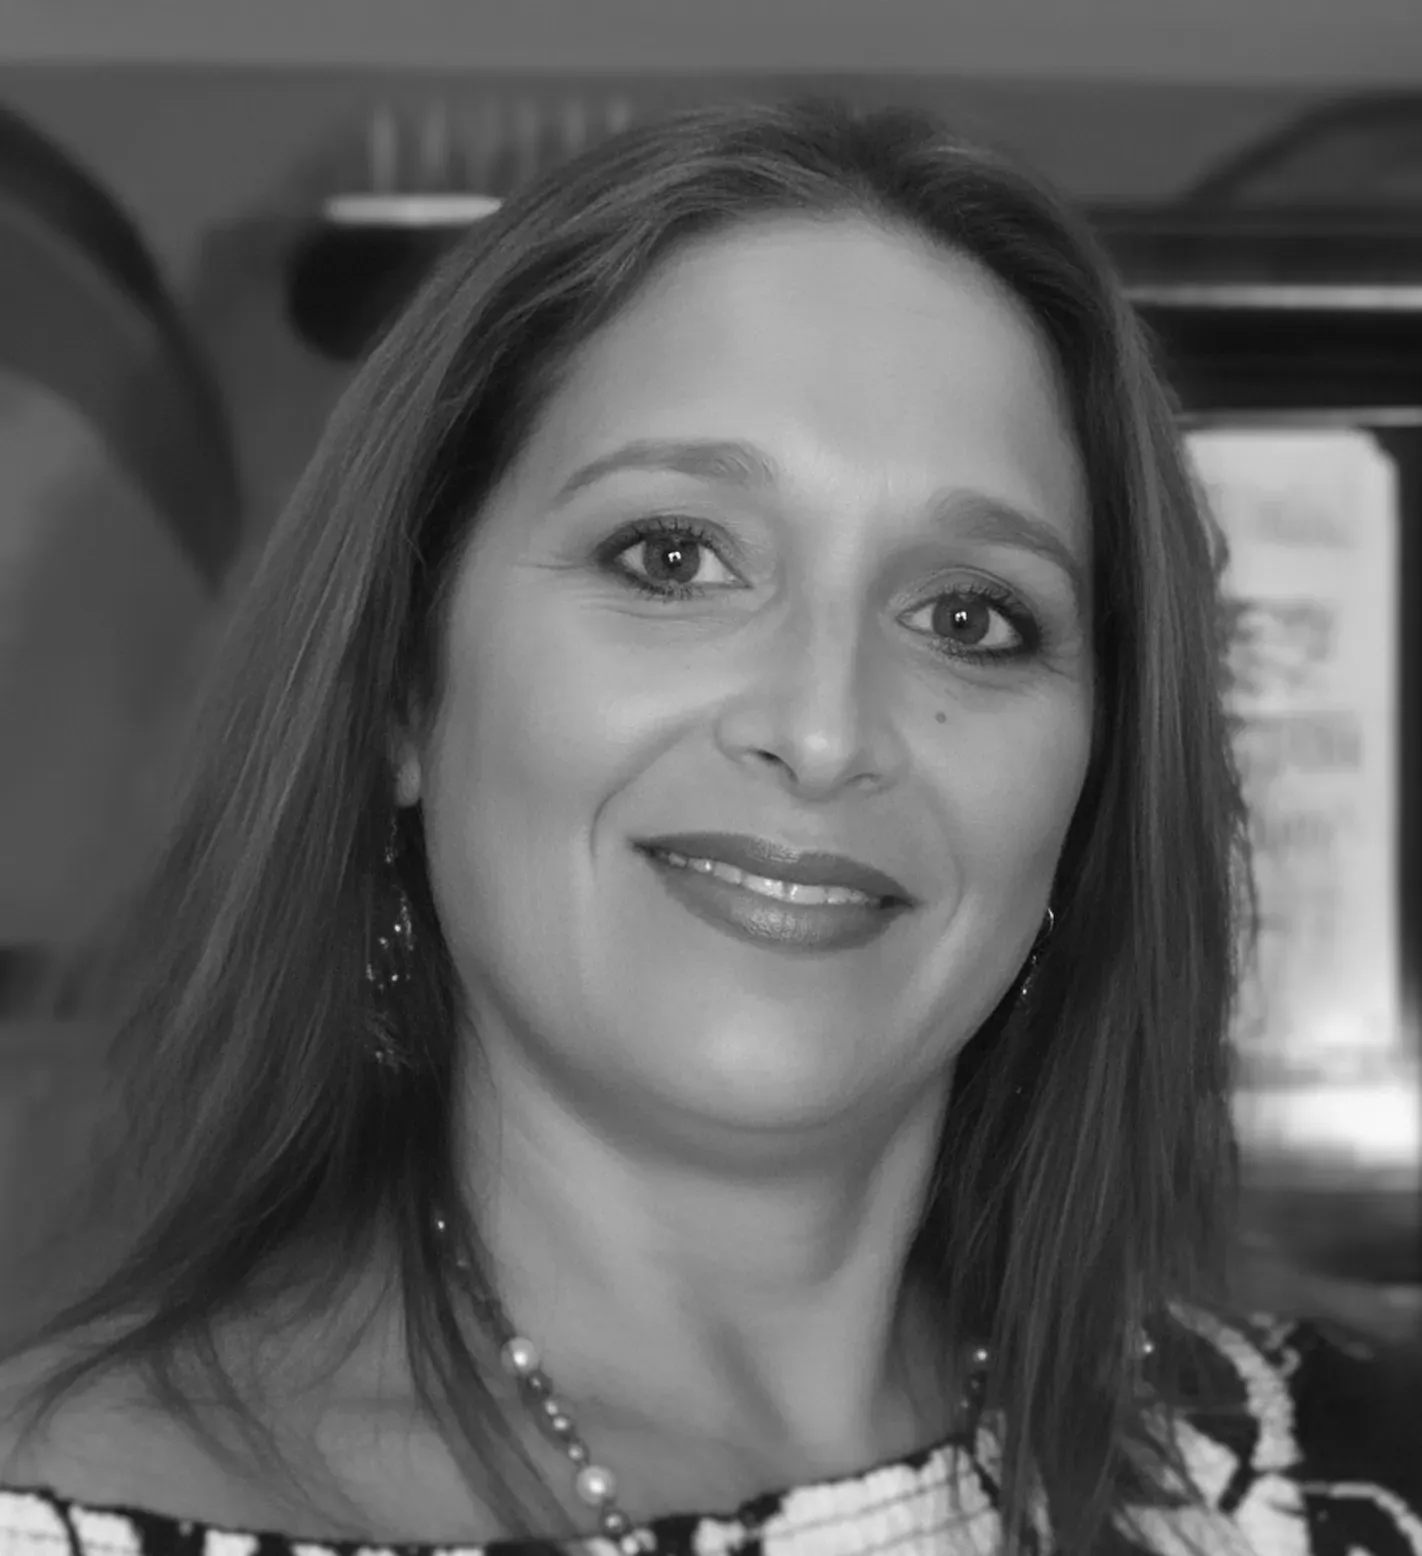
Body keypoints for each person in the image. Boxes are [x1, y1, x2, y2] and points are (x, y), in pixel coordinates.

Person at [0, 98, 1417, 1556]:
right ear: (404, 690)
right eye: (671, 557)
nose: (820, 731)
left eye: (969, 616)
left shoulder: (1348, 1471)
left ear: (1093, 774)